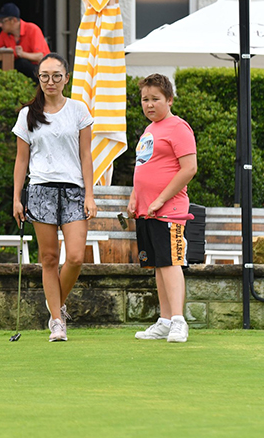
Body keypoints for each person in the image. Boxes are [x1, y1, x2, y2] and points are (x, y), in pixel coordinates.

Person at [12, 53, 96, 342]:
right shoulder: (28, 114)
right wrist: (16, 199)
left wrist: (90, 195)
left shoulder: (79, 111)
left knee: (74, 257)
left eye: (56, 76)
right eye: (44, 76)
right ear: (38, 78)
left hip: (73, 190)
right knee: (49, 258)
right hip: (40, 190)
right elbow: (21, 161)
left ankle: (55, 304)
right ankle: (57, 322)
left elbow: (86, 156)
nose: (50, 81)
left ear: (66, 78)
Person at [129, 73, 197, 343]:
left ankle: (179, 321)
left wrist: (160, 199)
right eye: (145, 99)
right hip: (147, 210)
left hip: (169, 210)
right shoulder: (149, 130)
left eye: (155, 99)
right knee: (158, 264)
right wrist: (135, 195)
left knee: (171, 263)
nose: (149, 104)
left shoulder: (178, 127)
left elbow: (189, 168)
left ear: (169, 100)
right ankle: (165, 320)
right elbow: (144, 166)